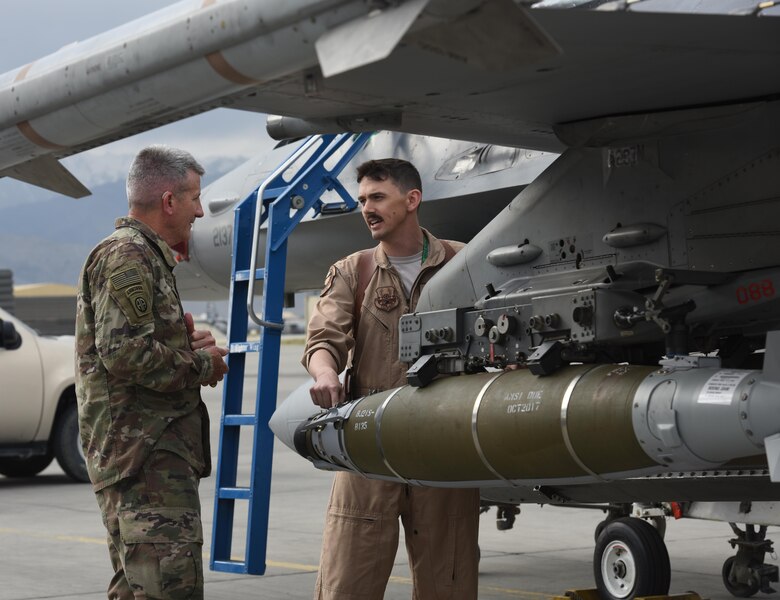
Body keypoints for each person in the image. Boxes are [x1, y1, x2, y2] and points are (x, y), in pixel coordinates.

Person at [304, 158, 480, 599]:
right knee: (348, 579)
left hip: (444, 440)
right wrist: (325, 373)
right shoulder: (354, 270)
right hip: (369, 441)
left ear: (412, 199)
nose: (367, 208)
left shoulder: (462, 262)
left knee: (450, 581)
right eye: (363, 199)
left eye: (378, 197)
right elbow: (324, 338)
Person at [75, 145, 228, 600]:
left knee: (139, 588)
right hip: (146, 458)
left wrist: (183, 346)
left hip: (144, 454)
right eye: (195, 198)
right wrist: (203, 364)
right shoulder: (129, 256)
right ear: (168, 201)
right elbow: (125, 353)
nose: (200, 211)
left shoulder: (142, 255)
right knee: (168, 589)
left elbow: (130, 345)